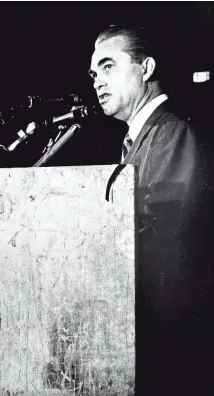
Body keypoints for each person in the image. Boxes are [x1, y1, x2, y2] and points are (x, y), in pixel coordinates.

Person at [89, 25, 214, 396]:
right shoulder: (138, 140)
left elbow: (164, 246)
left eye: (108, 66)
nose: (97, 81)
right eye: (94, 74)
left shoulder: (172, 134)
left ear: (146, 68)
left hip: (168, 341)